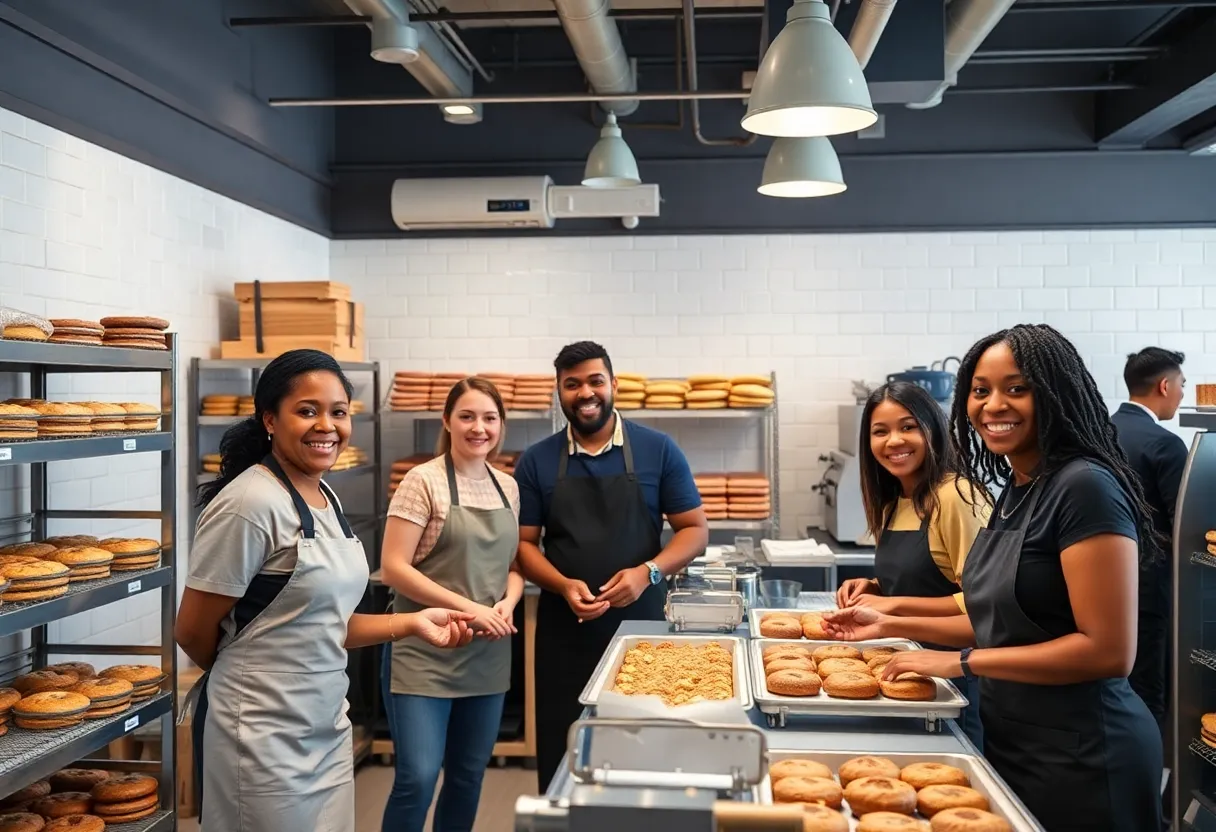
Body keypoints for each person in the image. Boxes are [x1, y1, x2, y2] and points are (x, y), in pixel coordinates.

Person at [823, 324, 1164, 832]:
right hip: (1015, 739)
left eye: (1016, 388)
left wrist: (961, 661)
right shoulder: (1019, 489)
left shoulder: (1084, 487)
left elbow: (1109, 651)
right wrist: (884, 622)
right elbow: (995, 618)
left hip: (1086, 751)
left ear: (1055, 392)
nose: (992, 404)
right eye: (980, 391)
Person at [175, 349, 475, 832]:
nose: (327, 426)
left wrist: (414, 623)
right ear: (269, 419)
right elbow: (191, 630)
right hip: (261, 734)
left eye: (338, 412)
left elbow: (322, 623)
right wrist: (259, 677)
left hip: (327, 723)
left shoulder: (325, 494)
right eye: (308, 411)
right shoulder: (250, 504)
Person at [514, 341, 709, 792]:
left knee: (647, 747)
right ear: (559, 392)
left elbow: (695, 530)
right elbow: (523, 547)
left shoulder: (657, 449)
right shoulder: (537, 460)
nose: (586, 393)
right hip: (567, 629)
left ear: (613, 385)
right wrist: (562, 585)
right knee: (568, 746)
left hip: (644, 628)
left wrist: (649, 573)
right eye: (572, 384)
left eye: (595, 381)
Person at [378, 377, 525, 832]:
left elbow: (513, 568)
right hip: (424, 651)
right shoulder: (421, 482)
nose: (478, 427)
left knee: (467, 777)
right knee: (418, 778)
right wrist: (468, 606)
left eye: (489, 418)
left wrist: (508, 603)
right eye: (467, 416)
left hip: (486, 653)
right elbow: (394, 567)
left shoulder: (508, 487)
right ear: (447, 420)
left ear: (501, 425)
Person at [834, 381, 990, 748]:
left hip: (954, 683)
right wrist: (877, 585)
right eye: (880, 431)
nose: (894, 441)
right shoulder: (894, 502)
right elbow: (932, 575)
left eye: (908, 426)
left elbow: (983, 607)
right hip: (905, 668)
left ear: (932, 428)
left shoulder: (957, 497)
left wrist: (891, 604)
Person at [1114, 347, 1188, 735]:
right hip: (1149, 590)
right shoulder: (1164, 444)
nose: (1181, 394)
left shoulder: (1101, 432)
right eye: (1181, 385)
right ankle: (1152, 791)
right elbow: (1185, 525)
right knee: (1147, 690)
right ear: (1164, 385)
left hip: (1096, 587)